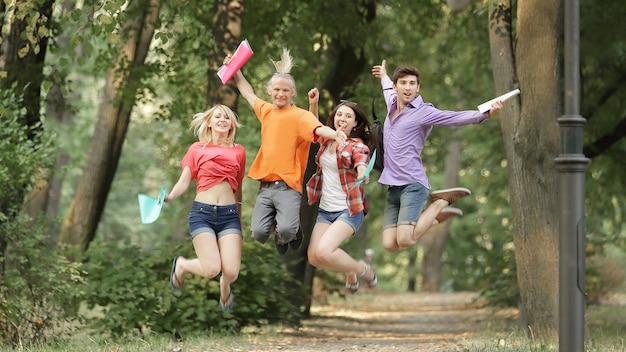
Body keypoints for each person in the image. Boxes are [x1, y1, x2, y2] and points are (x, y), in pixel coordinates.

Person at [371, 59, 504, 253]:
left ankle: (441, 201)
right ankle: (432, 219)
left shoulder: (424, 112)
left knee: (406, 240)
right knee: (390, 245)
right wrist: (383, 74)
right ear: (395, 86)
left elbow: (454, 118)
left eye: (412, 84)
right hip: (393, 186)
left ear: (418, 87)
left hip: (412, 184)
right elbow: (385, 86)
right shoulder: (391, 101)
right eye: (403, 83)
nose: (408, 88)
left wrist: (485, 114)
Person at [224, 49, 346, 255]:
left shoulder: (299, 116)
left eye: (285, 91)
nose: (281, 94)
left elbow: (317, 128)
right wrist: (235, 70)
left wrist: (335, 134)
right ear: (270, 91)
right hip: (265, 186)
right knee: (258, 233)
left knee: (287, 230)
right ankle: (279, 225)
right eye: (277, 90)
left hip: (289, 186)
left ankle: (291, 230)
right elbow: (246, 92)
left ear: (292, 94)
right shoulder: (266, 111)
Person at [164, 105, 245, 313]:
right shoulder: (197, 149)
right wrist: (170, 196)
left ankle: (224, 286)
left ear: (231, 124)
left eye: (227, 117)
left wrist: (239, 214)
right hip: (203, 214)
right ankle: (181, 265)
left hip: (229, 216)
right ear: (209, 122)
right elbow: (184, 181)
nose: (222, 120)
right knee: (211, 269)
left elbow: (238, 185)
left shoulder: (239, 151)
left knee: (232, 272)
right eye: (217, 116)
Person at [305, 94, 377, 294]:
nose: (342, 119)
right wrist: (313, 103)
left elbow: (361, 160)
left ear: (355, 123)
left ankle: (364, 271)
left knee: (324, 251)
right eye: (339, 115)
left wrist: (363, 171)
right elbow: (313, 126)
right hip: (326, 210)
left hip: (349, 210)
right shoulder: (327, 140)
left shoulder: (357, 145)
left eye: (348, 116)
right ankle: (350, 270)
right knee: (314, 257)